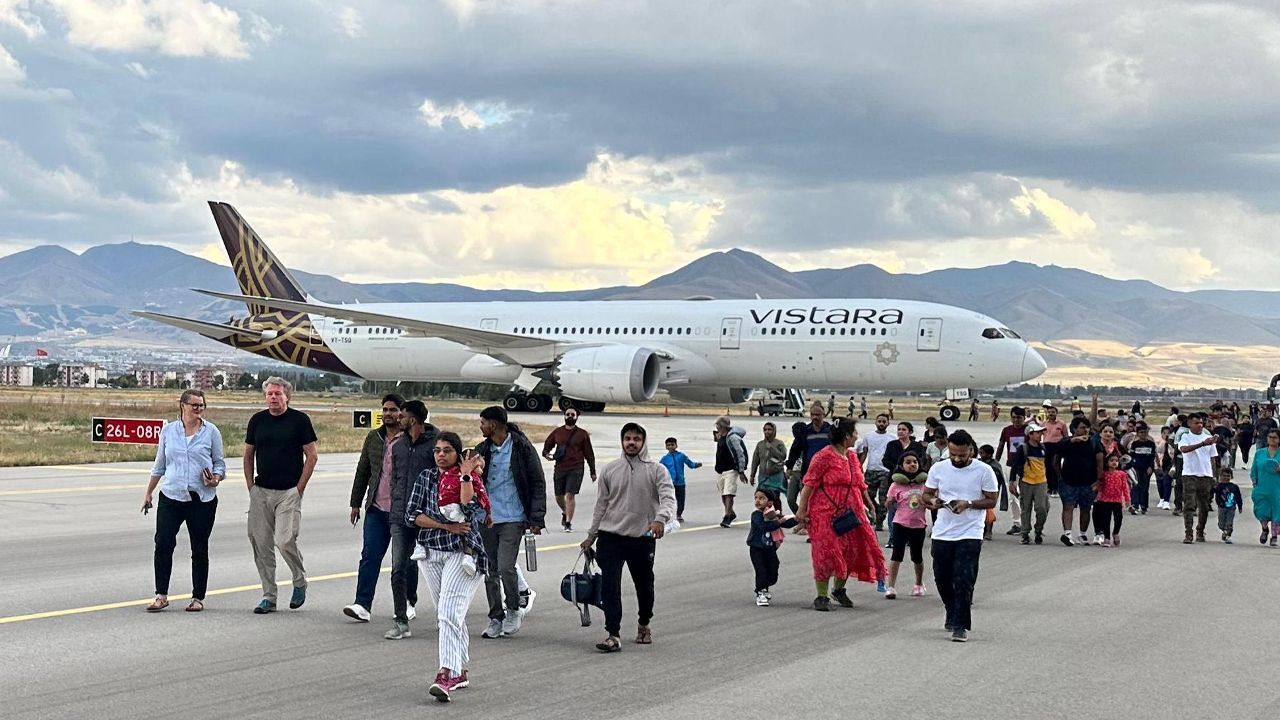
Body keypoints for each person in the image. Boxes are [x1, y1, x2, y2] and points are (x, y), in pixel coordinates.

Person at [404, 432, 489, 702]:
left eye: (447, 450)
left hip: (463, 552)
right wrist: (444, 525)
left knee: (448, 613)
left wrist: (466, 475)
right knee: (447, 614)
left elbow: (473, 510)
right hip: (431, 551)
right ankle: (460, 670)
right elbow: (411, 514)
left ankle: (447, 673)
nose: (441, 455)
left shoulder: (468, 477)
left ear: (458, 454)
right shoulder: (426, 477)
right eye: (437, 450)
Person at [580, 422, 678, 653]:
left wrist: (660, 519)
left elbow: (668, 498)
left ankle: (644, 622)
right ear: (622, 441)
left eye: (636, 439)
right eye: (627, 439)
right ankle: (613, 634)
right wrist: (591, 535)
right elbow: (601, 505)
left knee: (644, 585)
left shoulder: (656, 470)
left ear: (643, 442)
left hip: (641, 538)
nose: (631, 443)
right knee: (609, 586)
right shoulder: (610, 469)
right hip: (610, 537)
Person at [143, 389, 225, 613]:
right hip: (171, 496)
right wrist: (149, 492)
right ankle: (161, 595)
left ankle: (198, 597)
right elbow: (160, 464)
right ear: (183, 406)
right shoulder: (169, 431)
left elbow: (219, 464)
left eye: (201, 405)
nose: (198, 409)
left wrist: (215, 479)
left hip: (201, 499)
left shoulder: (211, 432)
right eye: (194, 405)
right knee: (163, 543)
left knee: (199, 547)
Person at [794, 418, 887, 612]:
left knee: (851, 551)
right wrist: (802, 511)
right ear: (846, 436)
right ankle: (821, 595)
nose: (856, 436)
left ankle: (839, 589)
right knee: (826, 553)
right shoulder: (823, 457)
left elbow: (860, 485)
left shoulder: (852, 457)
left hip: (852, 512)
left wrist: (869, 505)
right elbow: (809, 485)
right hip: (825, 513)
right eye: (854, 432)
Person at [244, 377, 317, 614]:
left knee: (284, 540)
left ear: (287, 396)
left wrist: (299, 488)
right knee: (261, 544)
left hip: (288, 491)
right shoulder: (257, 421)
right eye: (269, 394)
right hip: (261, 491)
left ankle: (299, 580)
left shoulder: (299, 421)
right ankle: (269, 596)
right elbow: (248, 454)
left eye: (278, 394)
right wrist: (250, 486)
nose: (273, 397)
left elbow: (312, 455)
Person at [474, 406, 547, 638]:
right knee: (490, 570)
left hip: (513, 517)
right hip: (485, 518)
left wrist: (536, 517)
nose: (481, 426)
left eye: (483, 422)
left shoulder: (522, 448)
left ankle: (514, 609)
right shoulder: (482, 449)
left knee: (506, 566)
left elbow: (537, 482)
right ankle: (495, 617)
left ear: (494, 424)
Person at [922, 429, 998, 643]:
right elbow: (926, 494)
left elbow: (991, 500)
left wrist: (969, 504)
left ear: (971, 451)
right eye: (953, 454)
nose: (957, 459)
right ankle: (951, 609)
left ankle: (960, 625)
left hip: (970, 532)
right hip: (943, 531)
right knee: (942, 576)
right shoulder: (939, 468)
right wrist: (932, 501)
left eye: (962, 455)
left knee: (963, 578)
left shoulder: (983, 471)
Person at [344, 394, 405, 623]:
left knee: (403, 561)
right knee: (370, 556)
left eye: (393, 410)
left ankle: (407, 602)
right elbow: (363, 471)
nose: (388, 414)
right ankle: (362, 604)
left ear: (402, 412)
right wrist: (355, 503)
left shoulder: (409, 439)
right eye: (385, 410)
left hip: (401, 511)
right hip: (376, 508)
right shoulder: (373, 437)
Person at [382, 399, 433, 638]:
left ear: (412, 419)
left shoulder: (436, 444)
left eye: (402, 416)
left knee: (437, 569)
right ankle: (401, 620)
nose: (398, 419)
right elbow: (395, 479)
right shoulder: (398, 446)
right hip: (401, 517)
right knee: (398, 568)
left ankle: (447, 615)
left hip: (429, 518)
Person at [1049, 417, 1103, 546]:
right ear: (1074, 429)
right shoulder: (1067, 442)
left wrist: (1098, 480)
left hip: (1088, 482)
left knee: (1086, 508)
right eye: (1082, 427)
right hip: (1068, 481)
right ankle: (1067, 533)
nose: (1085, 430)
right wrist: (1059, 476)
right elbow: (1056, 456)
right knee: (1068, 506)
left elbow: (1100, 462)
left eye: (1087, 427)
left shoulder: (1094, 443)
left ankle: (1082, 534)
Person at [542, 407, 597, 532]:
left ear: (577, 416)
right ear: (564, 416)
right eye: (568, 414)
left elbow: (589, 453)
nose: (570, 416)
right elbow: (547, 446)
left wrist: (592, 471)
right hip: (560, 467)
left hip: (576, 468)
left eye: (573, 414)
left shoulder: (582, 434)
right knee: (558, 496)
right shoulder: (558, 432)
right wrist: (546, 455)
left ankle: (568, 523)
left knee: (570, 495)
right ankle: (565, 512)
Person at [883, 452, 928, 600]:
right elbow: (888, 503)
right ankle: (890, 587)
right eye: (908, 462)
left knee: (917, 556)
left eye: (915, 461)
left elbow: (931, 500)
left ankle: (919, 584)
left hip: (919, 525)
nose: (912, 464)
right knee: (897, 555)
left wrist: (929, 502)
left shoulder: (924, 485)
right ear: (901, 465)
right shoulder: (896, 485)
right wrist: (889, 502)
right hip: (900, 523)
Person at [747, 487, 797, 606]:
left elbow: (787, 523)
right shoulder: (756, 515)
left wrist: (799, 519)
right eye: (756, 498)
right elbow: (765, 526)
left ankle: (764, 585)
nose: (757, 501)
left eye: (762, 498)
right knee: (761, 570)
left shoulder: (774, 515)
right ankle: (761, 592)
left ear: (770, 502)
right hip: (757, 548)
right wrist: (779, 522)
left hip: (770, 549)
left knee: (773, 570)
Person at [1177, 413, 1219, 544]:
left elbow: (1213, 458)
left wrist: (1214, 475)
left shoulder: (1209, 438)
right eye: (1196, 423)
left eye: (1201, 423)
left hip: (1205, 475)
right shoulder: (1185, 437)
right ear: (1189, 424)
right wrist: (1202, 444)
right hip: (1190, 474)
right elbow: (1184, 449)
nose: (1200, 425)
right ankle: (1188, 532)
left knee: (1204, 506)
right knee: (1189, 505)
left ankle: (1200, 530)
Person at [785, 403, 833, 513]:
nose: (815, 417)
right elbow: (795, 449)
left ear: (824, 415)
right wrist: (789, 466)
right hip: (809, 471)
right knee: (806, 499)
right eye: (812, 415)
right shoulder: (805, 431)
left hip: (828, 471)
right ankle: (805, 522)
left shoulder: (831, 431)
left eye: (818, 415)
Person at [1009, 421, 1050, 545]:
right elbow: (1015, 465)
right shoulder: (1023, 448)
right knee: (1026, 509)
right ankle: (1025, 533)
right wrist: (1012, 482)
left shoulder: (1043, 448)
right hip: (1026, 482)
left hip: (1041, 482)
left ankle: (1038, 530)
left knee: (1042, 508)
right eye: (1037, 433)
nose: (1040, 435)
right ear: (1030, 435)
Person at [854, 413, 895, 531]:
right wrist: (859, 467)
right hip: (871, 470)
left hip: (885, 472)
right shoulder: (868, 436)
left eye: (884, 421)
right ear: (875, 422)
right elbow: (864, 452)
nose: (881, 423)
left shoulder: (892, 438)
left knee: (883, 498)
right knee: (867, 496)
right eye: (879, 421)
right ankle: (874, 511)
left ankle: (879, 521)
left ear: (888, 423)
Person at [713, 415, 750, 527]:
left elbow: (740, 454)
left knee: (729, 493)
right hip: (720, 469)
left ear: (723, 426)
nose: (717, 427)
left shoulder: (733, 438)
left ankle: (727, 516)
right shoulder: (720, 436)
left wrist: (741, 470)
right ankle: (731, 512)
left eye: (718, 425)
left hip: (730, 469)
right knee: (723, 494)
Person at [1090, 454, 1130, 547]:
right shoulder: (1104, 474)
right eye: (1111, 460)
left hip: (1117, 500)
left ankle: (1115, 533)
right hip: (1105, 500)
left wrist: (1127, 499)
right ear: (1107, 463)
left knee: (1118, 518)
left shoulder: (1122, 474)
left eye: (1116, 461)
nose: (1114, 462)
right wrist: (1096, 488)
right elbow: (1100, 486)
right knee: (1105, 519)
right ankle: (1107, 538)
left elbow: (1125, 487)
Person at [659, 437, 701, 523]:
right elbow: (659, 469)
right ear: (666, 447)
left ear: (676, 445)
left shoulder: (681, 456)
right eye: (668, 445)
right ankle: (667, 515)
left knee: (681, 499)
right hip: (670, 483)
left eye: (672, 445)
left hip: (681, 483)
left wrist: (696, 465)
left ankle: (679, 514)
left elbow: (690, 464)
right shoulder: (664, 459)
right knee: (669, 499)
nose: (670, 447)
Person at [1250, 429, 1280, 546]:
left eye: (1275, 437)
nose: (1272, 439)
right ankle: (1264, 528)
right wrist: (1254, 481)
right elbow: (1254, 469)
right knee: (1261, 509)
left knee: (1277, 511)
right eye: (1270, 437)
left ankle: (1274, 536)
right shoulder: (1260, 453)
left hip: (1277, 487)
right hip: (1262, 486)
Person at [750, 422, 789, 507]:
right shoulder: (760, 444)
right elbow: (755, 461)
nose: (767, 432)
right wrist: (752, 475)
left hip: (776, 476)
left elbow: (783, 456)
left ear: (774, 431)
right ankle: (765, 515)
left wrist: (772, 448)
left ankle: (778, 514)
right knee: (762, 496)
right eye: (765, 430)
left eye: (769, 430)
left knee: (774, 496)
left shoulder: (779, 443)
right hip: (763, 476)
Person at [976, 444, 1006, 540]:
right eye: (979, 452)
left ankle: (989, 531)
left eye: (982, 453)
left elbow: (997, 479)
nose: (980, 455)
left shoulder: (994, 465)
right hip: (979, 490)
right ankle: (982, 530)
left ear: (989, 454)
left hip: (990, 491)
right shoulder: (978, 463)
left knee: (988, 510)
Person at [1127, 422, 1157, 515]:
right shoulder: (1134, 444)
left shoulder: (1151, 444)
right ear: (1137, 434)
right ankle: (1135, 505)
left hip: (1146, 468)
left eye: (1145, 432)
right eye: (1141, 433)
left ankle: (1144, 505)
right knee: (1136, 486)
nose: (1143, 434)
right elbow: (1131, 456)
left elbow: (1152, 457)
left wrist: (1151, 467)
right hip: (1136, 468)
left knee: (1144, 487)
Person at [1040, 404, 1068, 496]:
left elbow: (1066, 437)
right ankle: (1049, 487)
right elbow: (1040, 435)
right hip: (1046, 446)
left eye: (1053, 412)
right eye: (1049, 412)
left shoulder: (1061, 424)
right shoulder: (1044, 424)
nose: (1051, 414)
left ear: (1056, 413)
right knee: (1047, 467)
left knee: (1055, 466)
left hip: (1057, 447)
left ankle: (1056, 487)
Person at [1213, 467, 1243, 544]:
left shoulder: (1234, 487)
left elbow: (1238, 497)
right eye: (1224, 476)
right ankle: (1224, 532)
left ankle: (1228, 535)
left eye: (1228, 476)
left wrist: (1240, 506)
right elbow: (1214, 493)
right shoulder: (1219, 486)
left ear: (1231, 477)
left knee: (1229, 523)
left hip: (1231, 508)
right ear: (1220, 476)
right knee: (1221, 524)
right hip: (1222, 507)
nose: (1226, 478)